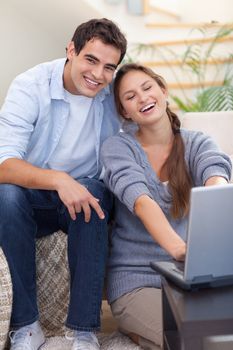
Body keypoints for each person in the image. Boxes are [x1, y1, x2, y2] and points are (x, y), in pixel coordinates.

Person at [0, 18, 127, 350]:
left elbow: (148, 127)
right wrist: (59, 180)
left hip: (86, 196)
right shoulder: (31, 85)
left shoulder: (113, 94)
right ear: (71, 50)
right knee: (6, 195)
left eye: (109, 67)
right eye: (91, 59)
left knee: (96, 193)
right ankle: (27, 326)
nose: (98, 75)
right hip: (36, 198)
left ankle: (83, 332)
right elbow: (4, 164)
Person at [100, 63, 232, 350]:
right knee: (197, 341)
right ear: (124, 111)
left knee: (221, 335)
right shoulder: (117, 148)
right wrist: (181, 250)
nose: (143, 98)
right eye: (130, 96)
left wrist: (217, 208)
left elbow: (216, 177)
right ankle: (136, 332)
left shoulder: (197, 143)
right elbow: (142, 202)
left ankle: (144, 338)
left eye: (147, 88)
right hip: (137, 279)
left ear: (163, 91)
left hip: (191, 277)